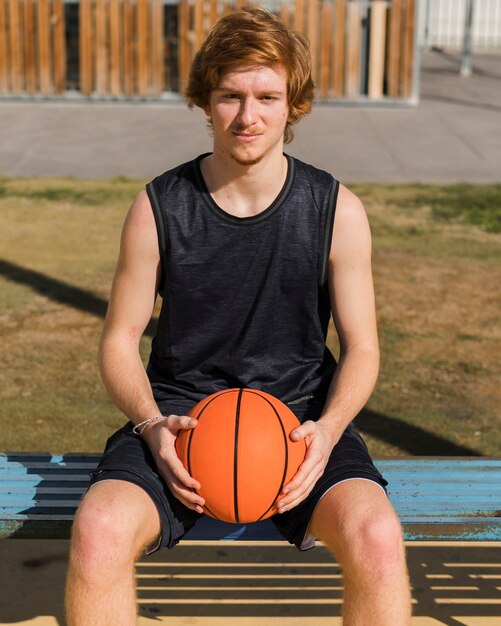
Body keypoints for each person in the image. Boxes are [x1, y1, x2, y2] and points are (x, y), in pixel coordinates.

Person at [65, 8, 412, 625]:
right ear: (206, 101)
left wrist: (328, 430)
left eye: (266, 96)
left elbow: (363, 348)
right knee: (97, 532)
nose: (248, 116)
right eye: (230, 96)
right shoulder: (158, 207)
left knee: (379, 539)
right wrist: (149, 425)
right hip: (179, 422)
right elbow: (118, 341)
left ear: (292, 104)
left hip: (301, 425)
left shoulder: (337, 210)